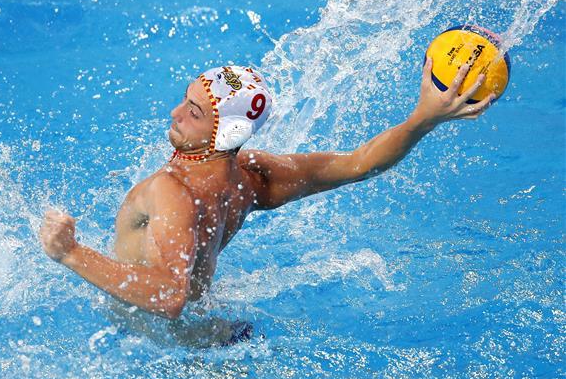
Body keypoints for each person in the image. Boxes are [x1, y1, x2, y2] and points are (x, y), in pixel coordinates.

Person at [39, 61, 494, 333]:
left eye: (193, 112)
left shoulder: (172, 191)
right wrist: (422, 120)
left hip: (141, 326)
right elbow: (359, 163)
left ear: (228, 131)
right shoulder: (249, 179)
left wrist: (71, 253)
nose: (175, 113)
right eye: (184, 100)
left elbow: (168, 297)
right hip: (200, 331)